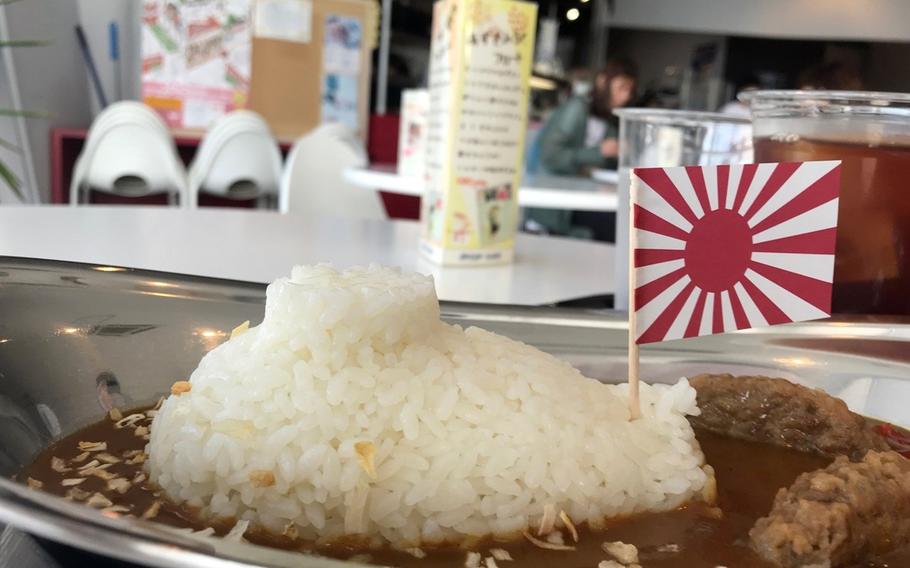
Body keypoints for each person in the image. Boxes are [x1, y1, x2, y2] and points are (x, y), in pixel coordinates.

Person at [526, 57, 638, 238]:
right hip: (557, 205)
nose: (626, 96)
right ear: (603, 81)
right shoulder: (576, 109)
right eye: (621, 88)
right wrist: (599, 152)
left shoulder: (607, 121)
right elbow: (551, 157)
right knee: (619, 226)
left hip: (580, 197)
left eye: (630, 91)